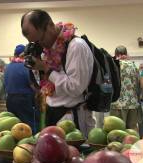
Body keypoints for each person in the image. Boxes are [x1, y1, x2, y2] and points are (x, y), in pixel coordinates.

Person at [21, 9, 95, 137]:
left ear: (50, 25)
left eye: (40, 39)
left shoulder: (76, 46)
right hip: (50, 114)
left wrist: (46, 68)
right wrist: (36, 69)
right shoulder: (46, 50)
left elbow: (75, 87)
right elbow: (44, 85)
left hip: (72, 119)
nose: (40, 45)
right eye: (33, 42)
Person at [4, 44, 40, 133]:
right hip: (24, 99)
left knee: (14, 126)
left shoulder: (7, 67)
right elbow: (32, 84)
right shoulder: (26, 66)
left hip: (10, 99)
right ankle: (31, 144)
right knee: (29, 124)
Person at [110, 46, 140, 130]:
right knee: (132, 130)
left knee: (117, 130)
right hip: (133, 103)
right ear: (126, 53)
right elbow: (138, 82)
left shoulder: (113, 64)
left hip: (118, 103)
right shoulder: (133, 65)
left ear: (116, 54)